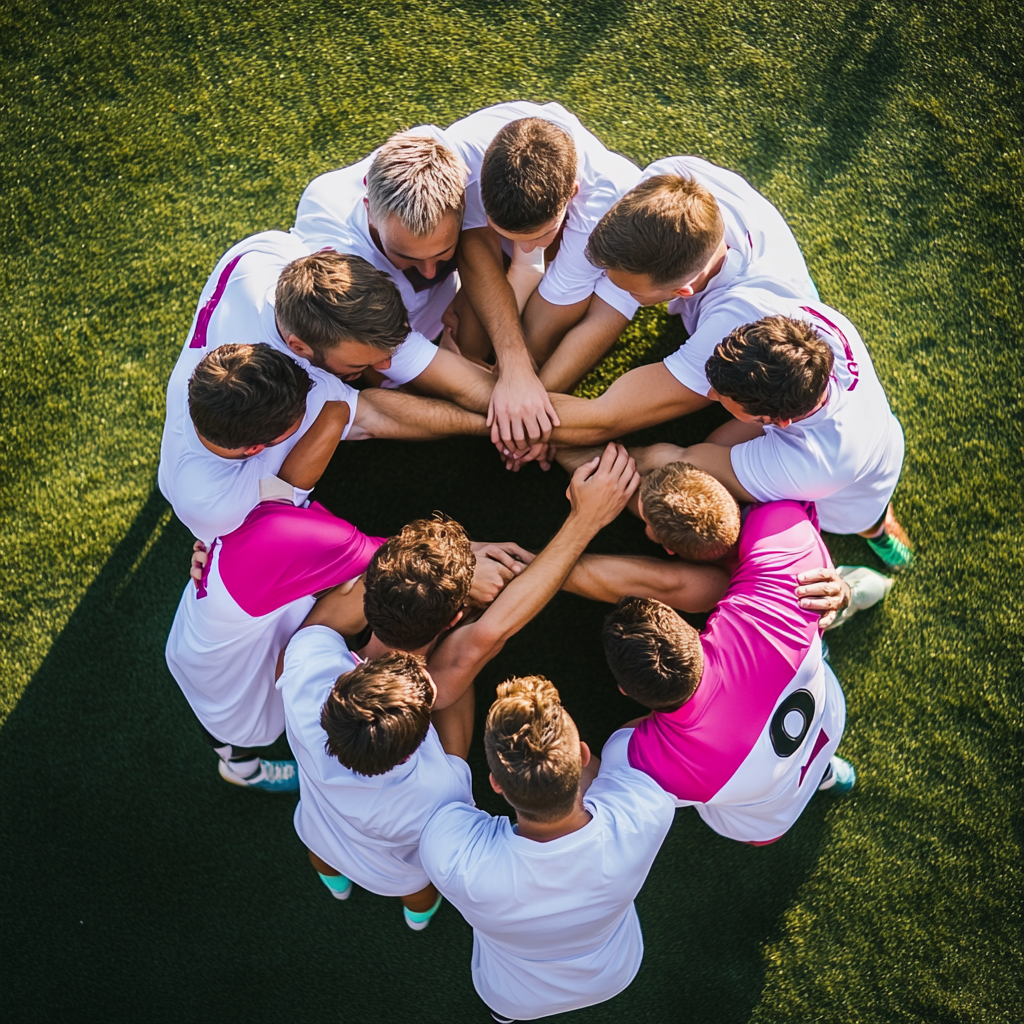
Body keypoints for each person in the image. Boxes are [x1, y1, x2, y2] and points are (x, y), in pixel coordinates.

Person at [280, 444, 639, 932]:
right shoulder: (437, 786)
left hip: (318, 827)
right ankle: (418, 915)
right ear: (454, 618)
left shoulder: (306, 670)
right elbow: (484, 643)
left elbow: (338, 613)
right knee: (416, 886)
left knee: (322, 852)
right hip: (398, 870)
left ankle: (334, 881)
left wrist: (422, 578)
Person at [600, 468, 856, 845]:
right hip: (828, 719)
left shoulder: (634, 757)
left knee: (758, 789)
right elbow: (781, 518)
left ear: (625, 690)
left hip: (764, 823)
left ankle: (814, 773)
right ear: (694, 634)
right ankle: (819, 770)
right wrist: (844, 589)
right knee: (801, 751)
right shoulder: (783, 546)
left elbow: (610, 784)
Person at [419, 676, 675, 1022]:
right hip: (613, 972)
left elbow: (447, 786)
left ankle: (505, 1015)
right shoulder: (647, 813)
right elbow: (621, 762)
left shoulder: (452, 857)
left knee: (505, 1008)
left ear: (495, 784)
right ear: (583, 755)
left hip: (512, 995)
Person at [443, 101, 642, 448]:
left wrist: (523, 385)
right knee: (469, 337)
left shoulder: (608, 195)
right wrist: (510, 364)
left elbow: (558, 303)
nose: (522, 246)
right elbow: (477, 247)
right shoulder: (463, 157)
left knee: (548, 338)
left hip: (590, 245)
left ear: (572, 195)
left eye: (537, 235)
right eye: (501, 230)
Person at [159, 340, 487, 543]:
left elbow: (373, 414)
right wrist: (334, 416)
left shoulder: (226, 363)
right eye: (301, 415)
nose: (316, 392)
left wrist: (494, 426)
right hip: (236, 516)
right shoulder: (223, 507)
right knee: (336, 413)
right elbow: (275, 532)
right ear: (259, 448)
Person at [166, 500, 385, 792]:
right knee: (225, 722)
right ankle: (244, 770)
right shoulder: (321, 549)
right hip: (237, 701)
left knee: (209, 707)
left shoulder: (240, 523)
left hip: (189, 645)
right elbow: (407, 562)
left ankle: (237, 764)